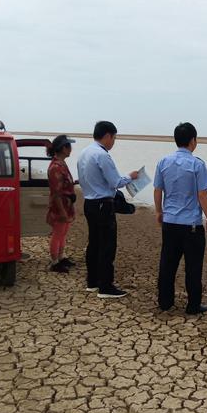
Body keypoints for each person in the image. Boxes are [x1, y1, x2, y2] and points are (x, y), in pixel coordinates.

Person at [154, 122, 207, 315]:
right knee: (193, 267)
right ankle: (193, 305)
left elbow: (158, 189)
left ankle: (165, 301)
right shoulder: (197, 163)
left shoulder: (163, 161)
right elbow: (202, 194)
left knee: (168, 264)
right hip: (191, 226)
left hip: (170, 222)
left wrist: (158, 211)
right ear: (193, 141)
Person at [77, 121, 139, 299]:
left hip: (89, 202)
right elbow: (116, 182)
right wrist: (131, 176)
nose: (114, 142)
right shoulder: (102, 155)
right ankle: (106, 287)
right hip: (103, 204)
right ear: (107, 136)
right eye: (114, 138)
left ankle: (93, 282)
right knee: (107, 245)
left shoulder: (84, 152)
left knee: (94, 243)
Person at [46, 135, 76, 273]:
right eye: (68, 146)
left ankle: (61, 256)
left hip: (67, 204)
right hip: (60, 206)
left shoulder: (61, 164)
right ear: (63, 148)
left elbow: (64, 184)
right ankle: (55, 261)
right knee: (58, 233)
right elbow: (56, 192)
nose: (71, 149)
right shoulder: (55, 167)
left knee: (63, 232)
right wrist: (62, 211)